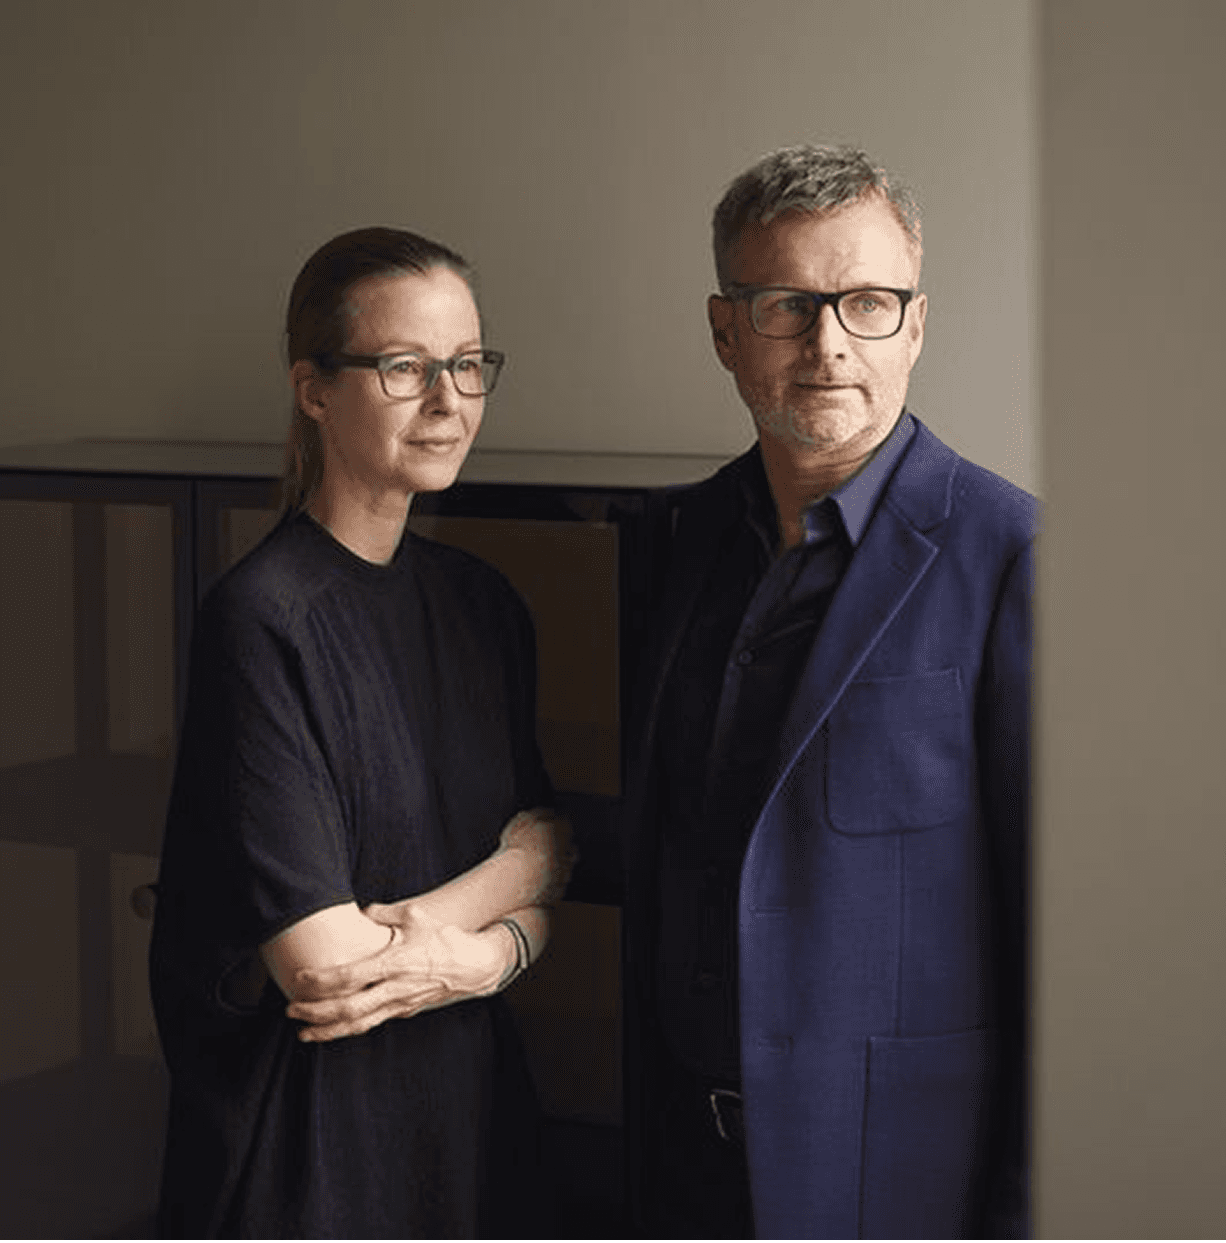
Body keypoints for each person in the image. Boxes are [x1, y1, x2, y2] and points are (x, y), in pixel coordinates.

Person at [625, 145, 1035, 1240]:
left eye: (866, 302)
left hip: (900, 1185)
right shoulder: (670, 540)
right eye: (787, 305)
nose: (829, 344)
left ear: (915, 323)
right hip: (678, 1172)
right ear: (726, 331)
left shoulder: (1014, 556)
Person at [149, 227, 571, 1239]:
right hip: (310, 1148)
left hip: (463, 1117)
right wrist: (517, 887)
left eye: (468, 364)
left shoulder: (485, 606)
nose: (448, 400)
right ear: (313, 389)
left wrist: (487, 955)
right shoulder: (260, 619)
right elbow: (325, 965)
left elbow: (562, 853)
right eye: (404, 366)